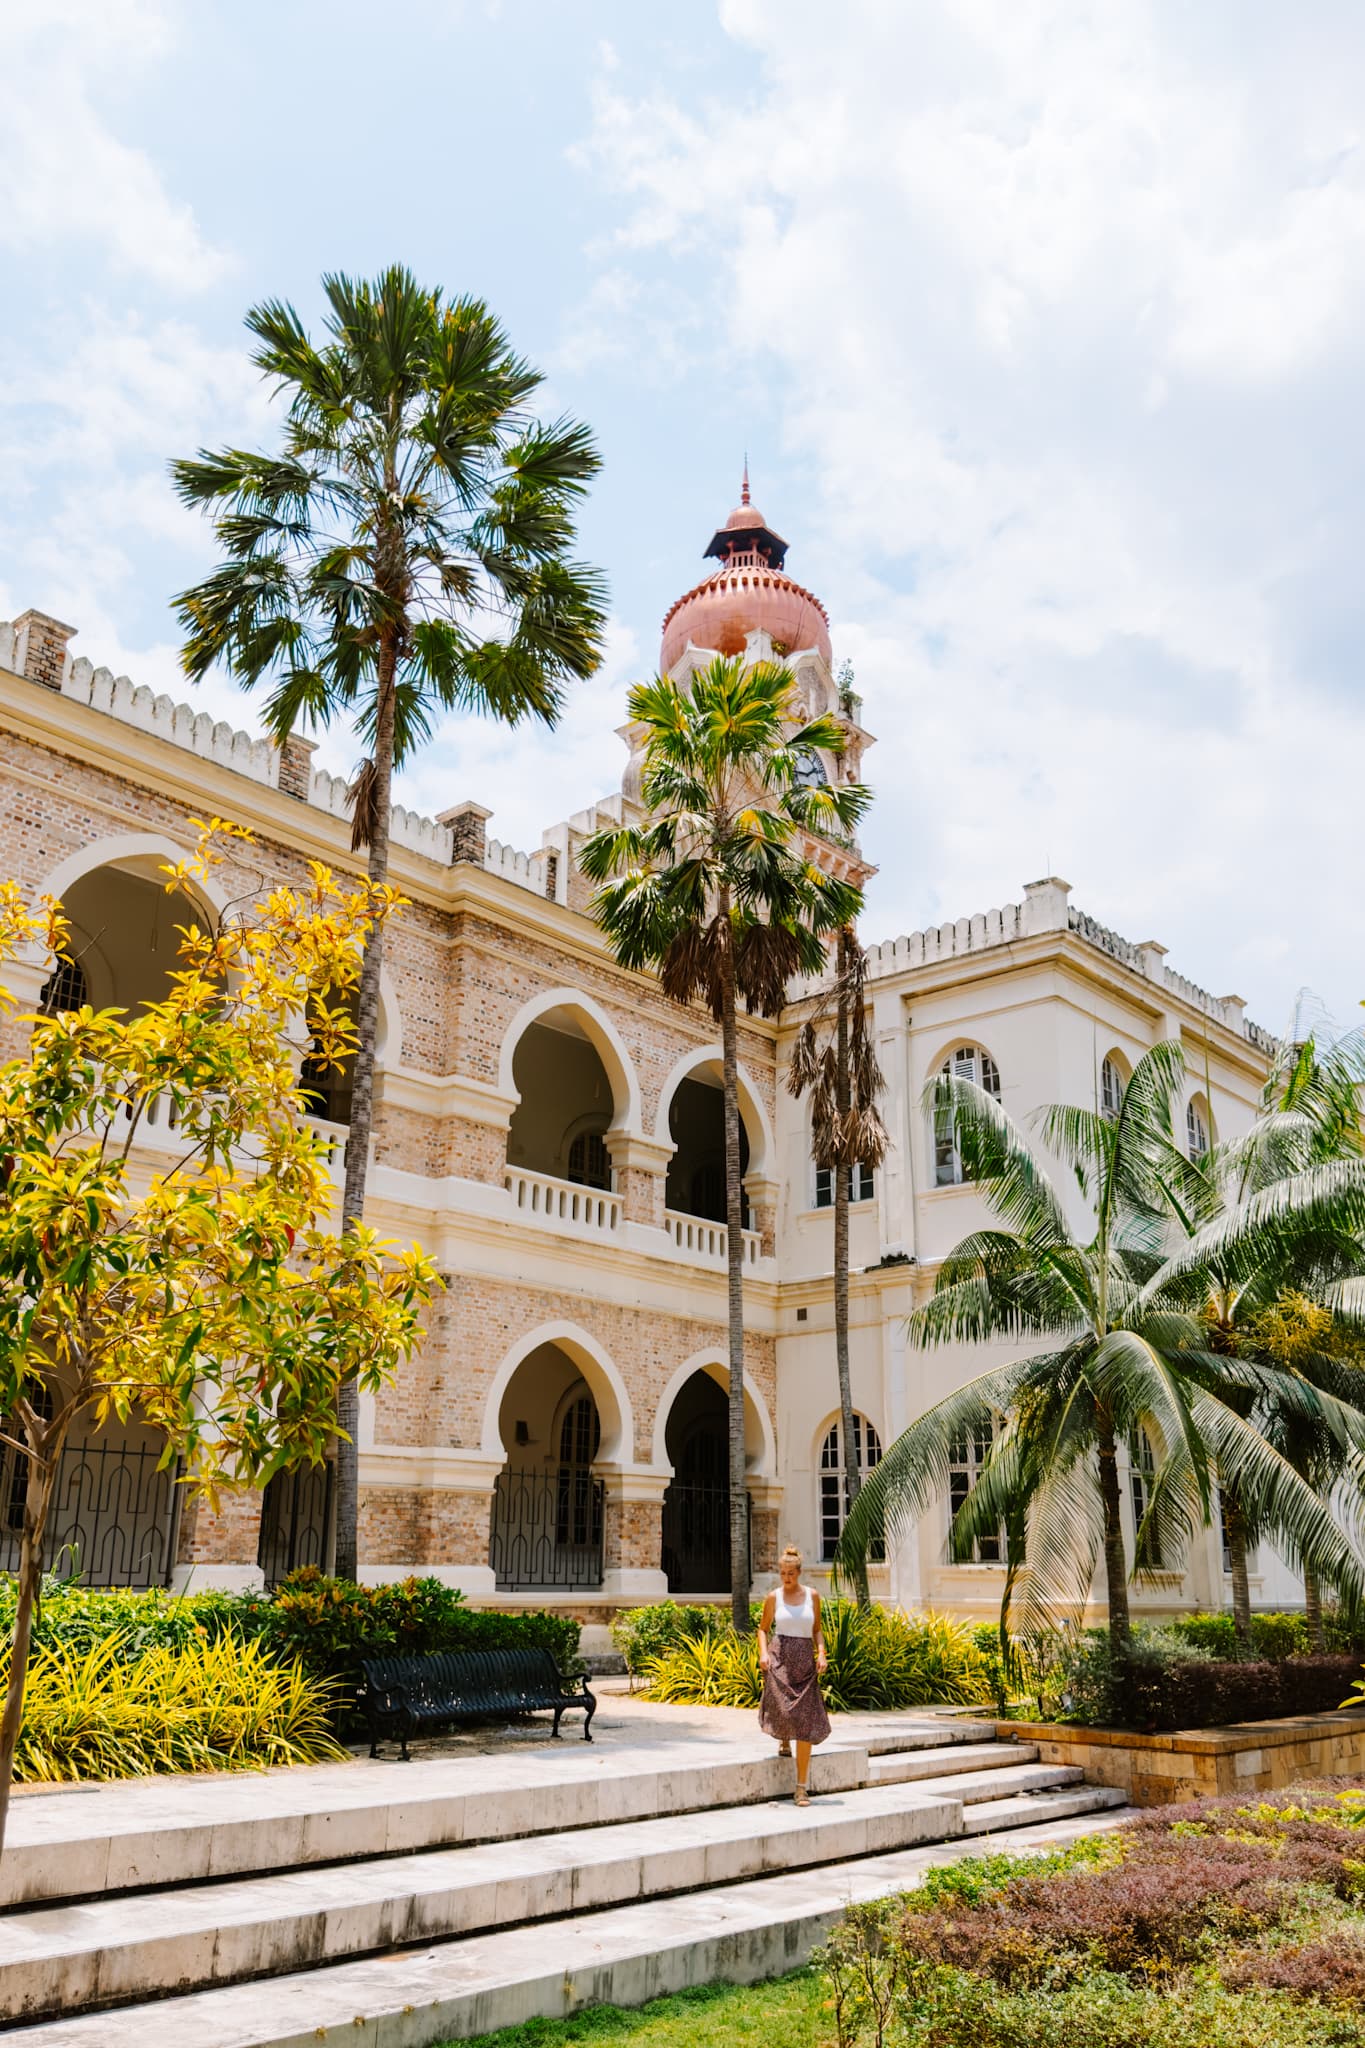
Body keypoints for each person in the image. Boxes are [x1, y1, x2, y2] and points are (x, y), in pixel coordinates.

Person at [758, 1544, 830, 1804]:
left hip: (804, 1662)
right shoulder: (773, 1597)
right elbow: (763, 1629)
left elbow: (818, 1630)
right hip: (780, 1657)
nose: (786, 1577)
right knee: (786, 1711)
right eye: (782, 1573)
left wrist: (821, 1654)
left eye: (790, 1573)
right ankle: (783, 1738)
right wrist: (763, 1654)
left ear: (799, 1572)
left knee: (805, 1722)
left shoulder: (813, 1596)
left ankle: (801, 1787)